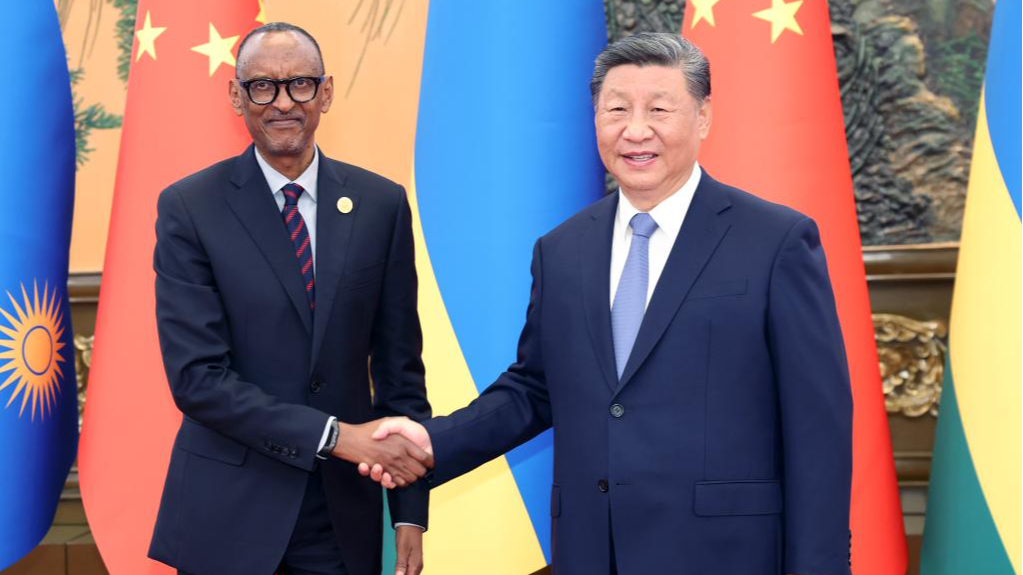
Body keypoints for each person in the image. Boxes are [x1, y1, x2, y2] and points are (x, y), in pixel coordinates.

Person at [365, 33, 853, 575]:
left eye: (659, 109)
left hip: (725, 554)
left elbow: (818, 428)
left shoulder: (776, 241)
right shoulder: (562, 249)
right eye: (616, 109)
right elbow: (535, 388)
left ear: (704, 117)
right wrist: (433, 441)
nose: (635, 130)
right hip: (593, 551)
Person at [147, 22, 432, 575]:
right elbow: (197, 379)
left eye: (299, 84)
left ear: (325, 92)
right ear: (236, 96)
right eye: (262, 86)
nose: (282, 102)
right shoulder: (189, 208)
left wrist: (408, 513)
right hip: (229, 514)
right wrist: (334, 437)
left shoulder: (381, 205)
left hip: (341, 518)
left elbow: (401, 374)